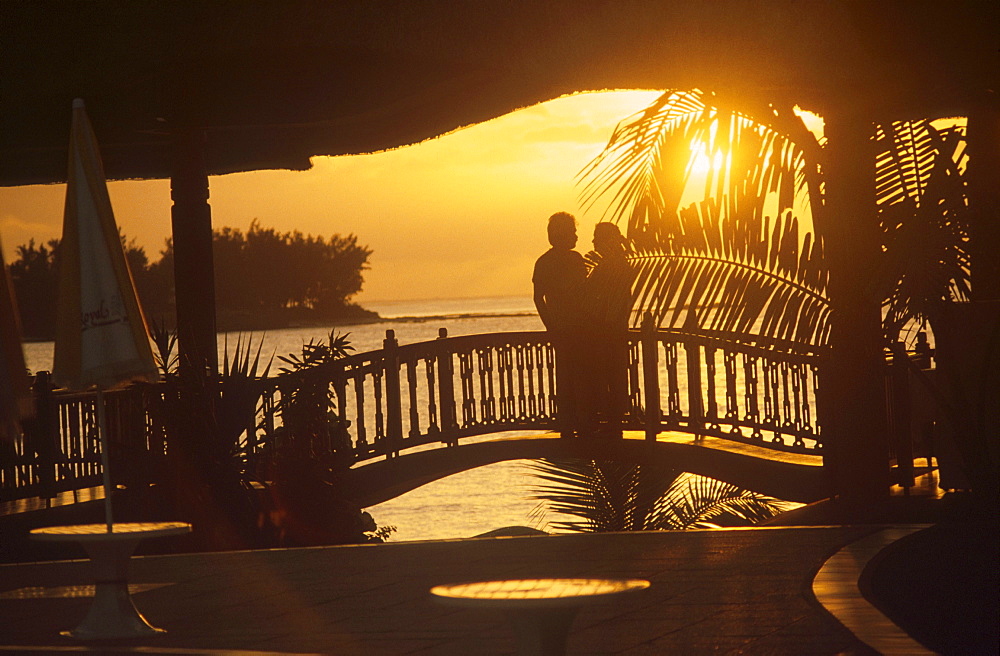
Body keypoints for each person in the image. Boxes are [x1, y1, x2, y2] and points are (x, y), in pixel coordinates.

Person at [533, 212, 589, 437]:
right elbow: (539, 298)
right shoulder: (551, 262)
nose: (576, 236)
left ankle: (574, 422)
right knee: (572, 377)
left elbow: (539, 298)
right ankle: (573, 422)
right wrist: (552, 326)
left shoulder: (571, 259)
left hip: (576, 328)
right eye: (573, 232)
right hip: (570, 328)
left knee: (572, 376)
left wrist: (551, 326)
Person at [584, 222, 632, 438]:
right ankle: (612, 420)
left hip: (608, 332)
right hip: (612, 331)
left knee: (609, 377)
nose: (593, 242)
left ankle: (611, 421)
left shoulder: (613, 266)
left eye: (597, 238)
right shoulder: (616, 264)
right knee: (612, 377)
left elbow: (609, 301)